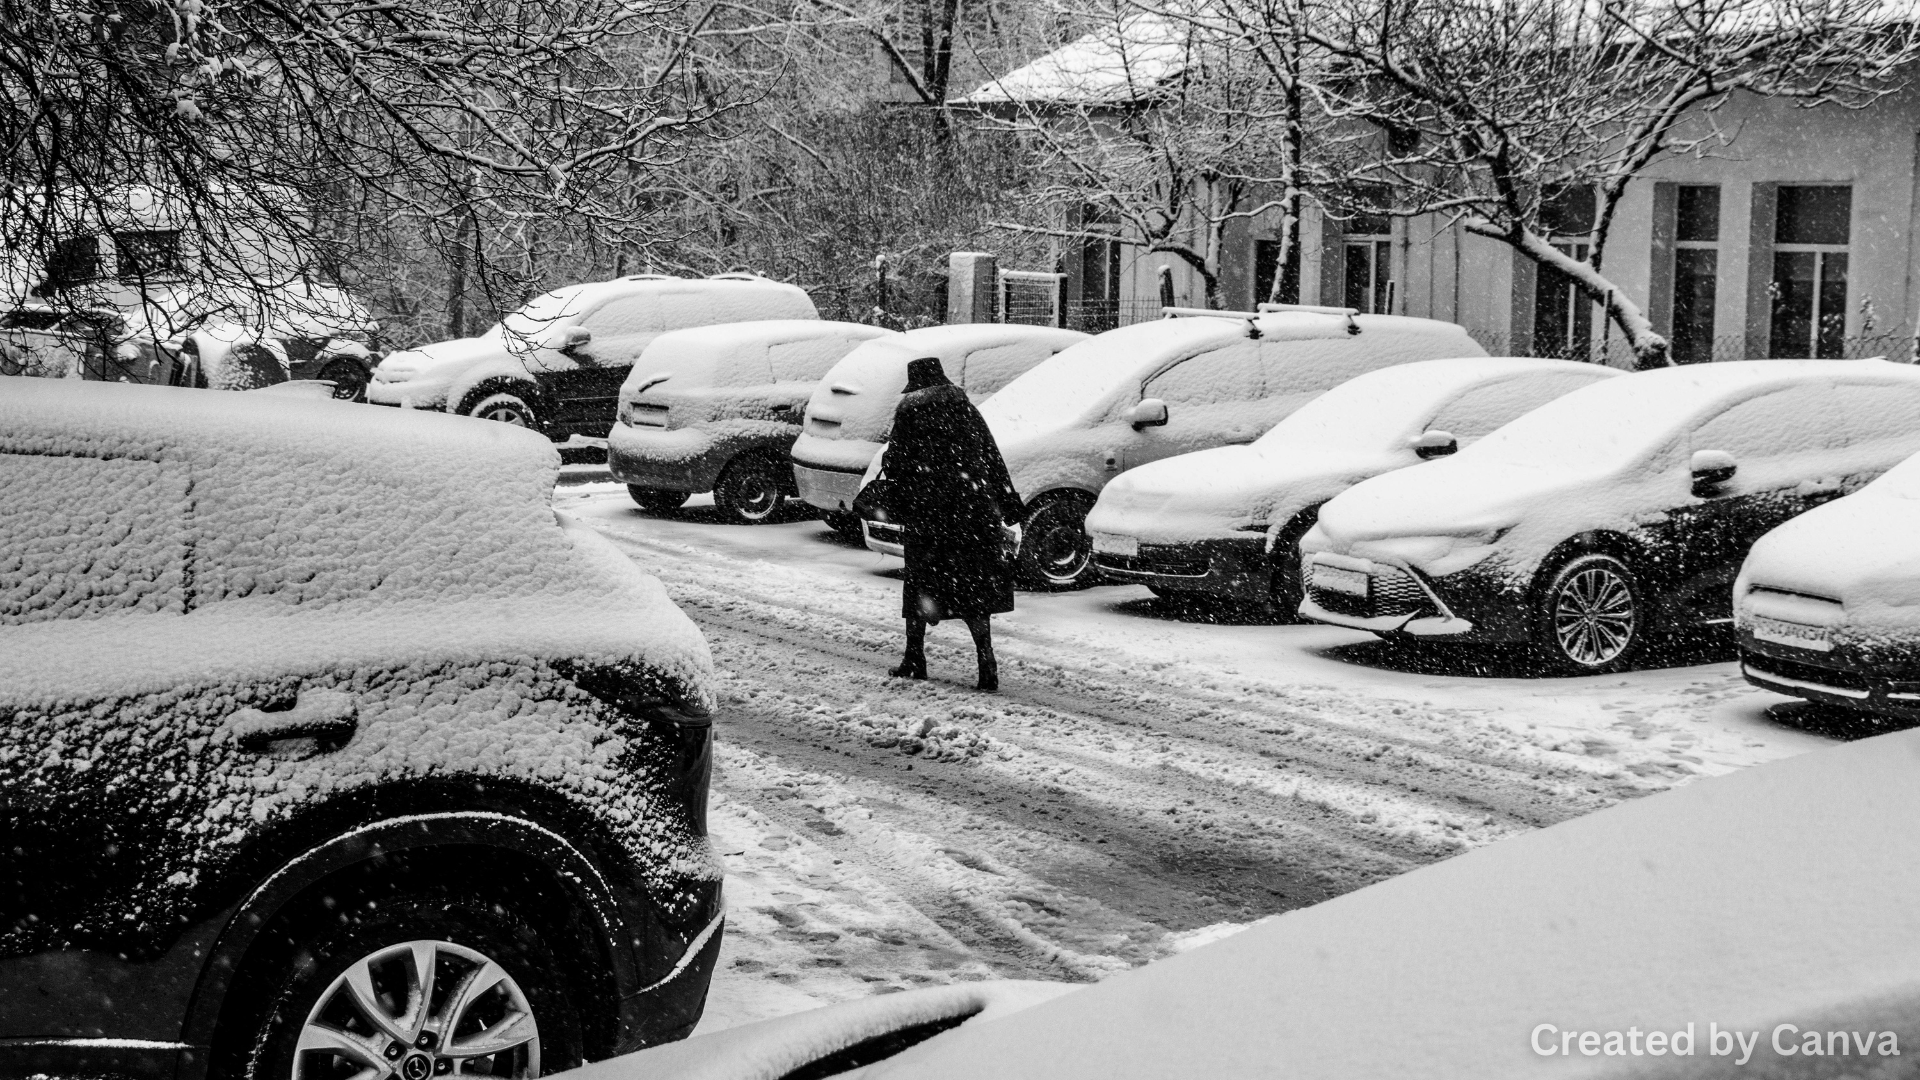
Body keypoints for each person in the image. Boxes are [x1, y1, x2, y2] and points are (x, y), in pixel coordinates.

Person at [871, 355, 1024, 691]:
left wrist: (899, 481)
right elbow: (991, 455)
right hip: (973, 515)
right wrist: (1008, 500)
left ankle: (915, 657)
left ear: (915, 387)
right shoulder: (966, 409)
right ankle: (987, 662)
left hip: (930, 516)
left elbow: (896, 465)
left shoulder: (909, 414)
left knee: (921, 586)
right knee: (973, 589)